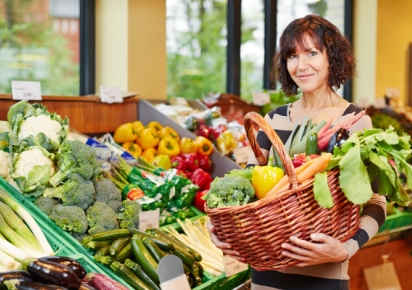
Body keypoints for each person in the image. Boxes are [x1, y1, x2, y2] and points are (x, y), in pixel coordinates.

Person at [207, 14, 386, 290]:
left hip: (324, 277)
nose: (301, 66)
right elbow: (252, 194)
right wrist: (219, 224)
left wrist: (347, 248)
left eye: (312, 53)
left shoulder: (354, 121)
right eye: (292, 56)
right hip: (266, 275)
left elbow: (376, 201)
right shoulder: (274, 120)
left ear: (332, 58)